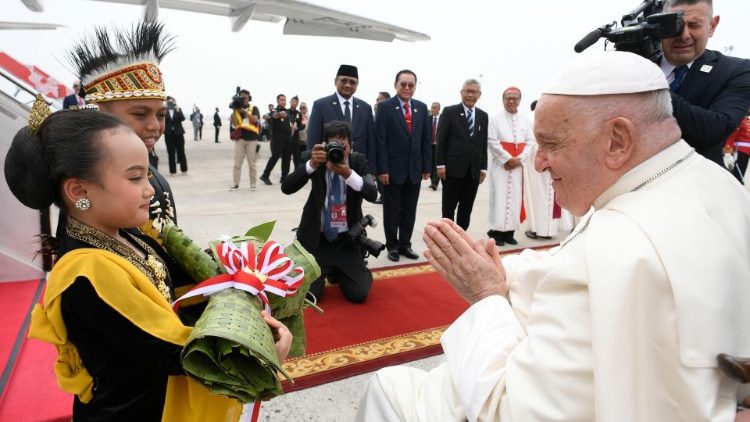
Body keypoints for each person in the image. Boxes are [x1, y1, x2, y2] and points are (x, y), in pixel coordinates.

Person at [355, 51, 750, 422]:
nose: (539, 162)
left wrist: (485, 298)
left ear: (617, 140)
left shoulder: (616, 245)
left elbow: (507, 409)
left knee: (388, 388)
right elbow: (570, 263)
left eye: (551, 144)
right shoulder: (719, 185)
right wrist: (504, 274)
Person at [4, 107, 292, 420]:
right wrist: (254, 349)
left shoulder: (124, 234)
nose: (150, 189)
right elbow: (177, 352)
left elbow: (175, 291)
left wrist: (241, 280)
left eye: (148, 174)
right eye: (135, 177)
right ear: (80, 191)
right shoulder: (87, 273)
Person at [69, 21, 179, 234]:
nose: (154, 126)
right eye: (140, 114)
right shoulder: (88, 187)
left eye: (161, 115)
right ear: (99, 113)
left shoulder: (154, 176)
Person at [282, 121, 377, 303]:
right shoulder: (314, 159)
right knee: (311, 296)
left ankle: (346, 269)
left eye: (343, 146)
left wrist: (348, 174)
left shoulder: (357, 161)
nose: (337, 152)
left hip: (346, 240)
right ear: (324, 145)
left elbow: (373, 194)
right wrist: (311, 165)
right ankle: (330, 270)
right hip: (316, 241)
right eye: (333, 145)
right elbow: (287, 187)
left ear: (350, 146)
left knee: (359, 295)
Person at [659, 0, 750, 168]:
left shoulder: (736, 70)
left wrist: (649, 85)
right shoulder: (633, 61)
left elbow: (715, 129)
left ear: (712, 26)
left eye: (694, 25)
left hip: (697, 186)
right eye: (675, 25)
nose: (684, 35)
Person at [375, 69, 431, 262]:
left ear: (415, 86)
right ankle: (392, 246)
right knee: (391, 211)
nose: (407, 88)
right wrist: (382, 169)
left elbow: (425, 140)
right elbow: (380, 140)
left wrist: (426, 167)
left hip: (414, 170)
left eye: (411, 85)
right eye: (403, 84)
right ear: (396, 85)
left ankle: (405, 244)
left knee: (409, 210)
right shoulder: (385, 107)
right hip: (391, 171)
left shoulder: (422, 108)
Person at [436, 80, 488, 230]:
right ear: (461, 93)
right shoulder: (449, 112)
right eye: (467, 91)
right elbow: (441, 140)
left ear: (479, 95)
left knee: (466, 209)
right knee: (448, 209)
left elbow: (482, 143)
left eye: (474, 92)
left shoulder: (483, 116)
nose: (470, 95)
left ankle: (461, 239)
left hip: (473, 171)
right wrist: (440, 165)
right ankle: (446, 237)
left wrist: (483, 168)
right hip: (452, 170)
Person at [307, 65, 376, 175]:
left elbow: (371, 142)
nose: (348, 85)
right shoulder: (320, 105)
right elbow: (313, 139)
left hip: (358, 168)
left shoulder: (365, 108)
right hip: (328, 167)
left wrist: (372, 170)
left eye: (352, 82)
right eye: (343, 80)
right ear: (335, 82)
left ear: (357, 85)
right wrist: (313, 166)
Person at [486, 87, 534, 246]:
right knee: (499, 197)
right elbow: (492, 141)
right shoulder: (495, 119)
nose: (512, 101)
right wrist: (507, 159)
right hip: (501, 166)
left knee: (515, 198)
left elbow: (530, 142)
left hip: (518, 166)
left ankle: (510, 232)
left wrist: (519, 159)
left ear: (520, 100)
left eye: (515, 98)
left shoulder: (525, 120)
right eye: (508, 98)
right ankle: (497, 232)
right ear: (503, 99)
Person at [230, 89, 261, 191]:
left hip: (252, 139)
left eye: (245, 97)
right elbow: (234, 124)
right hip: (240, 139)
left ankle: (253, 184)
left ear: (249, 98)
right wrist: (235, 109)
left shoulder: (254, 108)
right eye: (241, 97)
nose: (243, 99)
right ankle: (235, 184)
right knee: (237, 163)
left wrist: (244, 111)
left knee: (252, 163)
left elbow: (255, 119)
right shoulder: (236, 108)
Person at [260, 94, 291, 185]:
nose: (283, 101)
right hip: (278, 139)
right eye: (281, 100)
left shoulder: (287, 111)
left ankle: (284, 177)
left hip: (287, 138)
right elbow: (273, 116)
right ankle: (265, 175)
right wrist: (279, 114)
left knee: (286, 158)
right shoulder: (274, 110)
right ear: (277, 101)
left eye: (285, 100)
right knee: (275, 157)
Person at [165, 96, 188, 175]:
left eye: (172, 102)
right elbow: (161, 119)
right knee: (170, 153)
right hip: (168, 134)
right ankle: (172, 171)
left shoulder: (178, 109)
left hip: (178, 133)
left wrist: (177, 108)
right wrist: (165, 108)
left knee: (181, 151)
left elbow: (183, 118)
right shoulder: (164, 110)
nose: (171, 103)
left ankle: (184, 169)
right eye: (169, 102)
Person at [725, 111, 750, 184]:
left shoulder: (748, 120)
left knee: (741, 174)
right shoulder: (740, 120)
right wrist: (728, 152)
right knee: (737, 176)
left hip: (747, 151)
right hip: (740, 151)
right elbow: (732, 136)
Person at [288, 95, 306, 168]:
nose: (295, 103)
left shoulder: (299, 114)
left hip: (295, 139)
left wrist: (297, 128)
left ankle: (296, 174)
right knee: (286, 158)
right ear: (290, 102)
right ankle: (284, 176)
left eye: (296, 102)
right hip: (287, 139)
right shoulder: (286, 112)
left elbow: (303, 125)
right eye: (293, 101)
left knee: (296, 158)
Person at [428, 101, 441, 190]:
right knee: (430, 164)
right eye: (431, 107)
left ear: (438, 109)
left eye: (434, 108)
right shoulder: (428, 119)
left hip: (439, 145)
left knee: (437, 164)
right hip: (430, 145)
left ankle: (435, 183)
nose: (432, 109)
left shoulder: (443, 119)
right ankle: (432, 181)